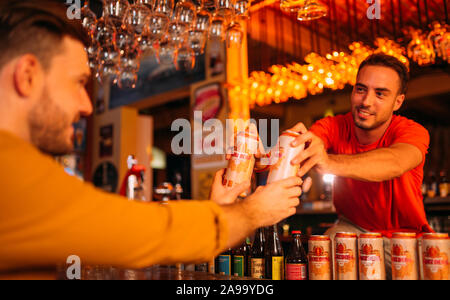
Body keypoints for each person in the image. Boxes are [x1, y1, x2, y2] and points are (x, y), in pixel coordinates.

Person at [0, 0, 302, 275]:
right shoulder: (10, 173)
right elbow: (144, 232)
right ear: (27, 75)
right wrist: (252, 212)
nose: (87, 105)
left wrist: (222, 207)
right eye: (78, 83)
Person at [288, 53, 432, 279]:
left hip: (405, 236)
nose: (366, 101)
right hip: (352, 228)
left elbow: (395, 162)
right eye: (361, 89)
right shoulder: (334, 125)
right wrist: (289, 145)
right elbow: (309, 142)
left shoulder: (412, 131)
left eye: (380, 94)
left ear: (398, 102)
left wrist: (328, 161)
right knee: (323, 251)